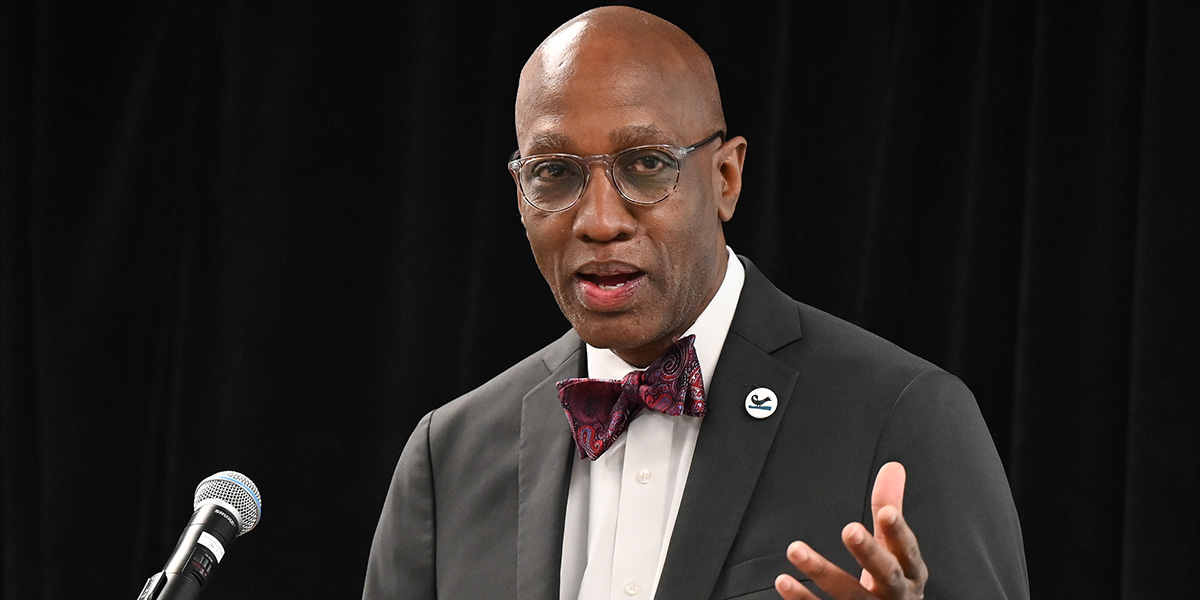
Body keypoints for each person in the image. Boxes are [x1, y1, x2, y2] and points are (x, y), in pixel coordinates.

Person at [363, 6, 1028, 600]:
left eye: (646, 164)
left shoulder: (904, 417)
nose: (598, 221)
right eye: (555, 172)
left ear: (726, 179)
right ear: (520, 195)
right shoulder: (447, 458)